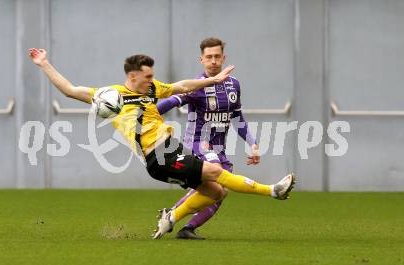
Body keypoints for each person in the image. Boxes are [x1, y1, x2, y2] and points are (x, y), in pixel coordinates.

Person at [28, 48, 295, 240]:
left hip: (170, 148)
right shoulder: (112, 96)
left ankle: (171, 217)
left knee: (216, 192)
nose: (151, 80)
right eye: (146, 76)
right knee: (216, 173)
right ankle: (273, 191)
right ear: (132, 77)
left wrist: (212, 80)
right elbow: (69, 90)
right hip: (158, 155)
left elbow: (181, 86)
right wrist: (44, 64)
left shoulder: (152, 88)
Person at [156, 37, 260, 240]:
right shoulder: (196, 86)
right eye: (209, 57)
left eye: (217, 56)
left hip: (218, 148)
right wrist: (149, 113)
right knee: (218, 180)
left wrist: (253, 143)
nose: (213, 61)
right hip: (197, 144)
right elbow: (170, 102)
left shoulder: (234, 85)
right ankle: (173, 216)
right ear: (201, 59)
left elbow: (237, 118)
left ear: (224, 58)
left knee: (220, 193)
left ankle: (186, 228)